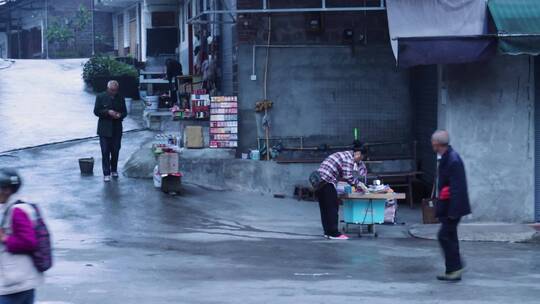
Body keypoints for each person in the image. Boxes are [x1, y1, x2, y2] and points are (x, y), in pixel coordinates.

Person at [432, 130, 471, 282]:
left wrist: (453, 212)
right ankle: (452, 271)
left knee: (444, 236)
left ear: (436, 144)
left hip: (453, 207)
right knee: (450, 236)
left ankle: (457, 265)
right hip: (449, 206)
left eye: (433, 143)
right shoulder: (447, 157)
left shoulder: (453, 160)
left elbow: (458, 188)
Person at [0, 169, 42, 304]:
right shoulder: (11, 206)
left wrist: (5, 239)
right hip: (21, 280)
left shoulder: (17, 210)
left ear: (7, 190)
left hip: (15, 283)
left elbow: (29, 242)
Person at [315, 142, 368, 240]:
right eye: (361, 158)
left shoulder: (347, 155)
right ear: (359, 154)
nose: (359, 160)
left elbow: (361, 168)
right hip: (327, 181)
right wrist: (359, 184)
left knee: (325, 209)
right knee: (332, 208)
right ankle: (334, 233)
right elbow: (348, 176)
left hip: (319, 182)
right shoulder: (348, 159)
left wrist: (361, 168)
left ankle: (328, 232)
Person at [94, 81, 128, 182]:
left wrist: (119, 115)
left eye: (116, 90)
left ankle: (114, 170)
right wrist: (107, 112)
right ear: (108, 89)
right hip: (104, 129)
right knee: (105, 151)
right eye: (112, 90)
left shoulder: (120, 97)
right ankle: (106, 173)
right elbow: (96, 111)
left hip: (117, 128)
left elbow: (125, 112)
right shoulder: (100, 97)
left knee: (115, 150)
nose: (114, 92)